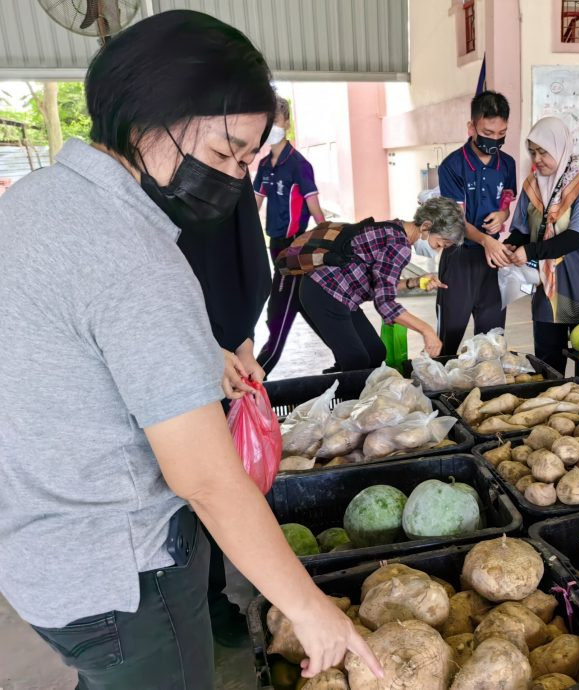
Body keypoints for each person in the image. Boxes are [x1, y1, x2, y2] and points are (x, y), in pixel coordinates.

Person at [0, 10, 381, 689]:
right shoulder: (135, 254)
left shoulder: (35, 200)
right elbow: (204, 476)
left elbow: (66, 342)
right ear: (148, 114)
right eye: (223, 152)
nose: (234, 179)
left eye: (246, 161)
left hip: (40, 551)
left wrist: (195, 356)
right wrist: (308, 607)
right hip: (123, 578)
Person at [176, 173, 272, 647]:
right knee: (194, 483)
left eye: (245, 156)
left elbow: (247, 266)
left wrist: (242, 343)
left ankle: (213, 603)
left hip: (220, 352)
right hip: (174, 355)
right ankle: (205, 605)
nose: (237, 164)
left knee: (209, 475)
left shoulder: (225, 178)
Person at [299, 196, 466, 371]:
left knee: (376, 353)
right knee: (357, 362)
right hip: (324, 293)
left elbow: (380, 287)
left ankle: (347, 384)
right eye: (441, 243)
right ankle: (339, 391)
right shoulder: (399, 245)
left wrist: (414, 282)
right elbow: (384, 303)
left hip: (341, 295)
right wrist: (427, 330)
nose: (439, 249)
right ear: (425, 227)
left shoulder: (396, 227)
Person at [505, 117, 579, 374]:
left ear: (561, 147)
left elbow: (578, 236)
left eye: (543, 152)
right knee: (547, 357)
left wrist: (529, 251)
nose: (537, 159)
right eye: (532, 152)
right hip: (549, 287)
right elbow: (521, 229)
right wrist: (508, 247)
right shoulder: (532, 185)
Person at [437, 91, 518, 357]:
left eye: (501, 133)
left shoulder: (507, 164)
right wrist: (485, 240)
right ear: (471, 127)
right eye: (487, 132)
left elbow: (507, 197)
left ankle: (484, 391)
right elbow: (457, 221)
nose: (495, 139)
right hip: (460, 259)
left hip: (494, 261)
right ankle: (443, 394)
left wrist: (503, 215)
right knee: (449, 336)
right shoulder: (452, 166)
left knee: (491, 340)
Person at [254, 96, 326, 377]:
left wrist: (328, 236)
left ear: (286, 123)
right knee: (303, 304)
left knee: (278, 312)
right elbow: (255, 203)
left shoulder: (298, 164)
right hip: (275, 245)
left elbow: (315, 208)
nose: (271, 126)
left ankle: (259, 373)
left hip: (294, 248)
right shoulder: (263, 165)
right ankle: (348, 358)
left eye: (275, 120)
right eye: (266, 121)